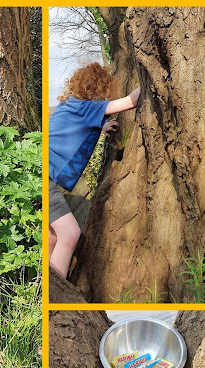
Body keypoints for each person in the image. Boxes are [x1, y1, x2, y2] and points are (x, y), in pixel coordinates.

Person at [49, 63, 140, 279]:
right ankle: (57, 291)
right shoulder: (86, 107)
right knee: (70, 234)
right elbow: (130, 102)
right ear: (101, 89)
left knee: (53, 237)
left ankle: (49, 282)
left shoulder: (68, 106)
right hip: (47, 179)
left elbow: (74, 130)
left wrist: (101, 128)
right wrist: (153, 81)